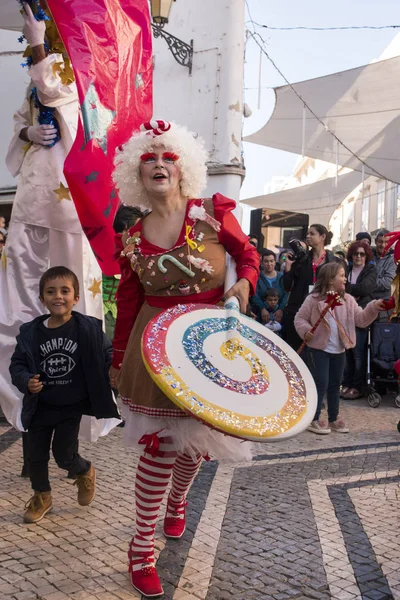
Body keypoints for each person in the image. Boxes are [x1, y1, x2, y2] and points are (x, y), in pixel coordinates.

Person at [110, 120, 259, 597]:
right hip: (152, 348)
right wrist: (117, 359)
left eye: (168, 157)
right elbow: (129, 302)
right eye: (149, 157)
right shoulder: (131, 238)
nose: (158, 163)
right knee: (162, 445)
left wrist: (245, 283)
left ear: (183, 168)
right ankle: (140, 546)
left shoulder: (214, 213)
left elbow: (249, 256)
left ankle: (178, 502)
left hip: (210, 344)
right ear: (137, 172)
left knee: (193, 443)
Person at [0, 3, 103, 435]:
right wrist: (25, 134)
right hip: (31, 202)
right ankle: (19, 401)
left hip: (69, 206)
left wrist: (38, 40)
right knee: (18, 301)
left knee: (72, 297)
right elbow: (24, 119)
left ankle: (75, 406)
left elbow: (55, 94)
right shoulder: (38, 76)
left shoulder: (83, 73)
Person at [9, 266, 120, 524]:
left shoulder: (88, 329)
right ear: (42, 299)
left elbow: (108, 355)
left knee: (64, 455)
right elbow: (17, 365)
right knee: (35, 455)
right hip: (40, 405)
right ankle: (42, 496)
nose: (58, 296)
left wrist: (117, 371)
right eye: (50, 291)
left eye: (65, 291)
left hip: (70, 406)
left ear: (76, 298)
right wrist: (26, 381)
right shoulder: (31, 332)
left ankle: (85, 470)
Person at [295, 262, 385, 435]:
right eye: (342, 275)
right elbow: (300, 319)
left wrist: (374, 306)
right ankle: (313, 419)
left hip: (339, 351)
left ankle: (333, 418)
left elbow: (361, 319)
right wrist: (306, 331)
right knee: (321, 383)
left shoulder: (348, 301)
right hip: (318, 349)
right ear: (330, 279)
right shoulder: (313, 300)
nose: (345, 278)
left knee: (335, 385)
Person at [282, 224, 337, 351]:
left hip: (321, 314)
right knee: (295, 352)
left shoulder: (333, 262)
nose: (308, 236)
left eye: (312, 234)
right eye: (307, 233)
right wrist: (289, 267)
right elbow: (287, 286)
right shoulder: (301, 259)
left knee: (315, 355)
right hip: (298, 311)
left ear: (322, 237)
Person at [341, 240, 377, 399]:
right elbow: (338, 287)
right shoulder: (346, 269)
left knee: (358, 353)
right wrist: (352, 290)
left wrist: (348, 288)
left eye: (362, 254)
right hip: (345, 314)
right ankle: (347, 384)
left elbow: (366, 288)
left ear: (366, 256)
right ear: (351, 255)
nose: (359, 257)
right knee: (346, 352)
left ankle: (358, 386)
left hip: (361, 314)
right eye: (356, 253)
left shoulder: (371, 270)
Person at [103, 205, 145, 340]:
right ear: (127, 228)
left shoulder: (142, 252)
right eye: (138, 228)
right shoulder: (104, 249)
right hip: (105, 310)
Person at [250, 249, 288, 322]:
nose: (269, 264)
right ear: (262, 263)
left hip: (279, 315)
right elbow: (254, 294)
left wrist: (281, 309)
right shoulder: (257, 276)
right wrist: (262, 308)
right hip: (260, 314)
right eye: (266, 261)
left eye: (271, 261)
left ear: (275, 262)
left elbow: (286, 294)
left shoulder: (282, 277)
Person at [372, 228, 396, 321]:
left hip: (384, 307)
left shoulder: (394, 259)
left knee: (380, 334)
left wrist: (367, 285)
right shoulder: (368, 255)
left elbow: (387, 282)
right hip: (367, 305)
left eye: (387, 242)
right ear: (375, 242)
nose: (383, 245)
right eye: (380, 242)